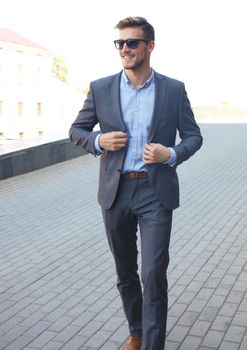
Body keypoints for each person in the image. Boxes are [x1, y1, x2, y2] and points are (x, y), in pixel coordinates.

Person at [69, 16, 202, 350]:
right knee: (125, 272)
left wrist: (169, 153)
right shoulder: (101, 88)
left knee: (153, 274)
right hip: (115, 193)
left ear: (149, 46)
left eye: (132, 43)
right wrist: (99, 141)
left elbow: (193, 137)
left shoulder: (173, 89)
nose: (124, 49)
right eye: (120, 44)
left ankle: (152, 345)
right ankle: (137, 331)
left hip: (155, 192)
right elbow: (76, 131)